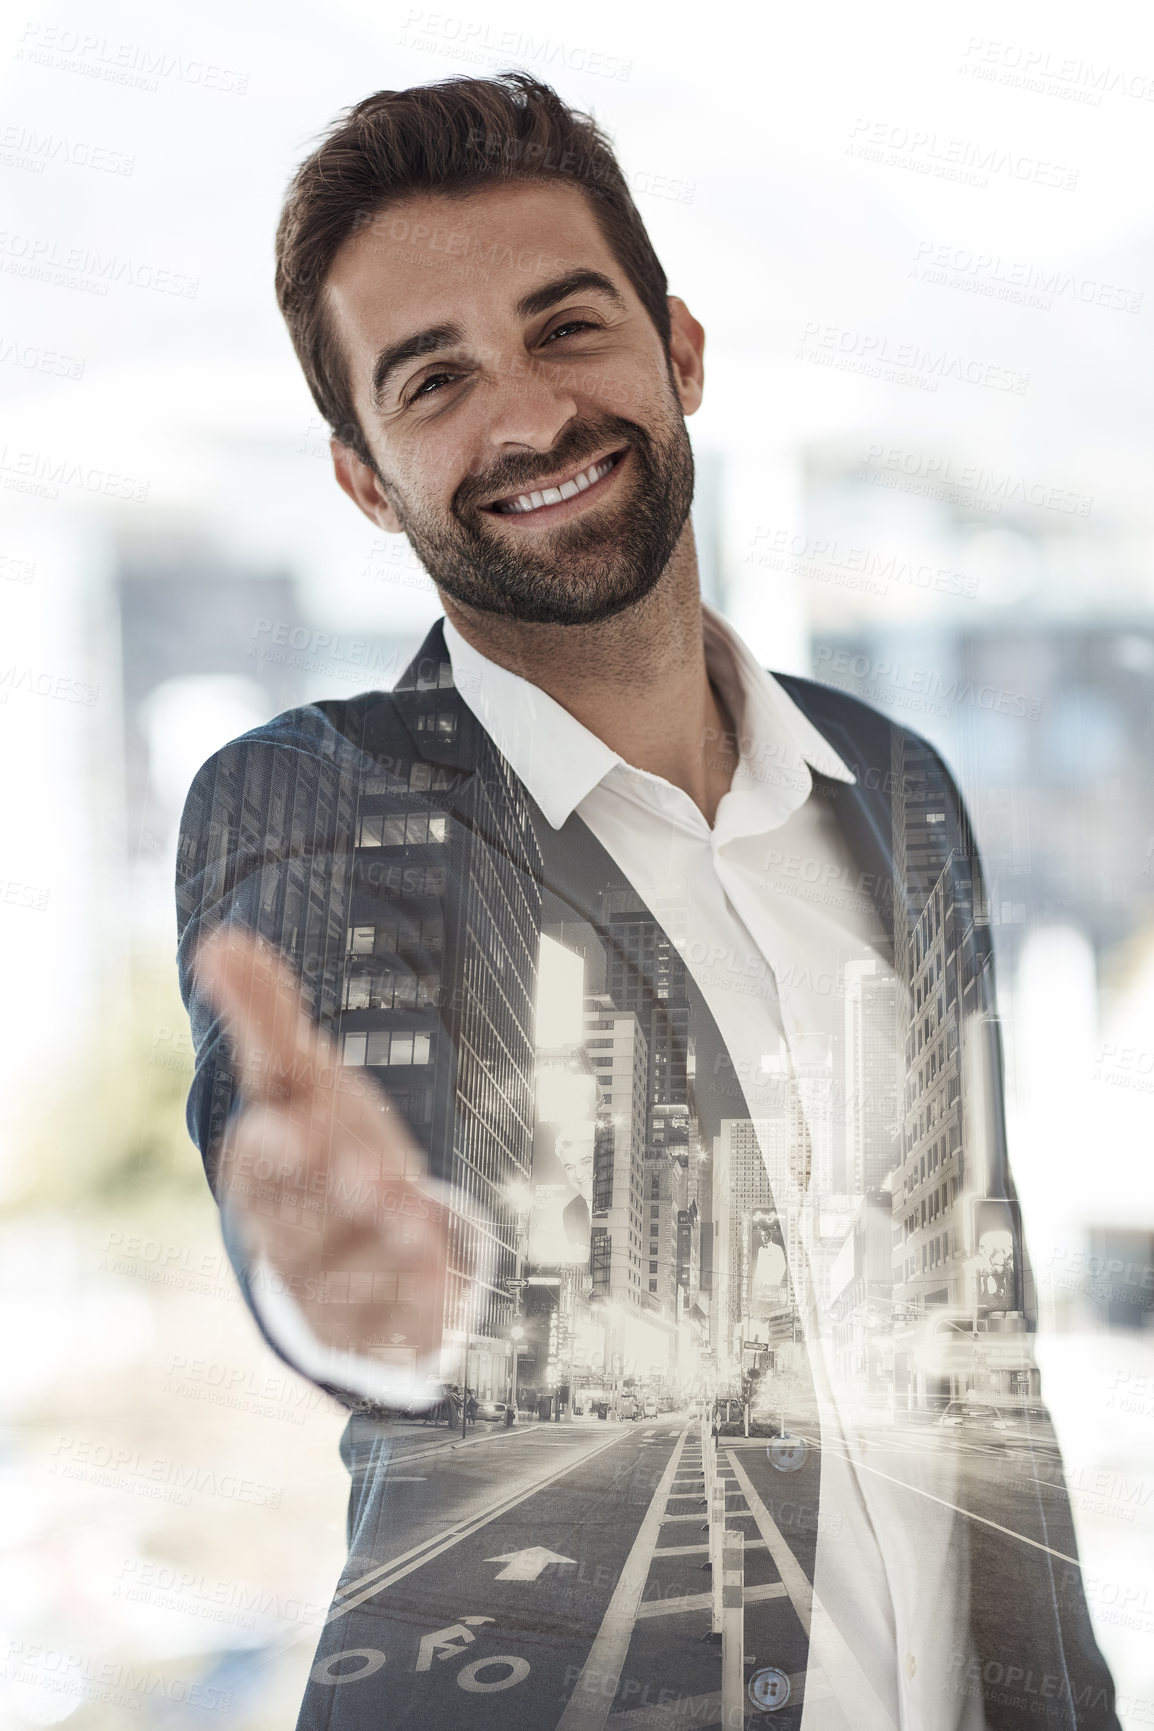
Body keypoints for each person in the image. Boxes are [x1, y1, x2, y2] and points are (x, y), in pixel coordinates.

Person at [177, 73, 1119, 1731]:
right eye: (435, 378)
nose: (528, 416)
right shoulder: (325, 803)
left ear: (677, 350)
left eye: (567, 328)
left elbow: (990, 1377)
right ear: (362, 476)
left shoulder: (896, 797)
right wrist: (383, 1299)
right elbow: (374, 1191)